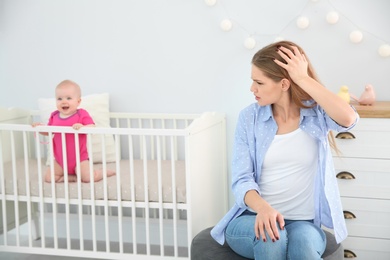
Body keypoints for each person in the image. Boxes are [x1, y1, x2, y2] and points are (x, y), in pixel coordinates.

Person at [210, 41, 359, 259]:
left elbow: (348, 118)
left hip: (303, 222)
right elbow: (242, 180)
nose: (252, 89)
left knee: (304, 246)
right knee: (272, 236)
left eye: (259, 82)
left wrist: (303, 78)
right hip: (252, 217)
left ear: (284, 84)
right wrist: (263, 209)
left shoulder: (316, 114)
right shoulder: (249, 118)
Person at [32, 80, 115, 183]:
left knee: (89, 178)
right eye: (59, 98)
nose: (63, 101)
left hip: (79, 160)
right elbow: (48, 131)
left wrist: (82, 127)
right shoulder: (54, 116)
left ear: (78, 101)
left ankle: (102, 172)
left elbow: (92, 127)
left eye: (69, 98)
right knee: (49, 179)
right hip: (59, 161)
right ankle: (72, 178)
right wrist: (39, 128)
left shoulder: (81, 114)